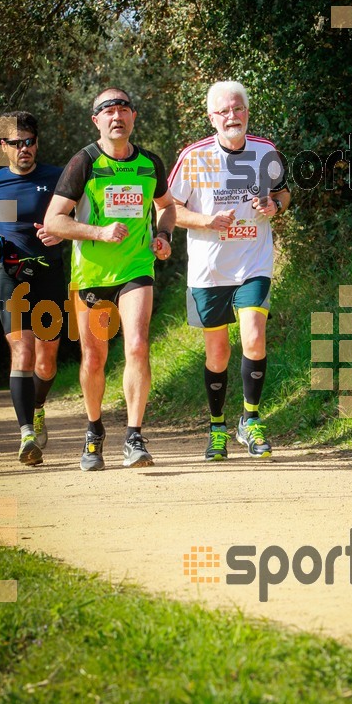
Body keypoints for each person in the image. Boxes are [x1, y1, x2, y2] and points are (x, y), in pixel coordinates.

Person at [44, 87, 176, 471]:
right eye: (107, 110)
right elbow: (55, 220)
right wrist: (99, 232)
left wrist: (163, 235)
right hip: (92, 274)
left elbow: (166, 207)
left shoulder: (150, 163)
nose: (116, 115)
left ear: (134, 117)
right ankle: (94, 430)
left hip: (136, 268)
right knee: (95, 358)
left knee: (136, 345)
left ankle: (134, 437)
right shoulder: (83, 162)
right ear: (96, 121)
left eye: (123, 109)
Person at [168, 80, 290, 461]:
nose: (231, 116)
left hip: (253, 262)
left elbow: (285, 192)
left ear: (247, 112)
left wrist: (275, 207)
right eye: (223, 111)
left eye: (237, 109)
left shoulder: (266, 152)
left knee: (254, 337)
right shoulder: (193, 156)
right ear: (212, 117)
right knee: (217, 354)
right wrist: (206, 221)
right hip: (209, 271)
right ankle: (218, 426)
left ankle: (250, 421)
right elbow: (168, 209)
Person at [0, 110, 65, 466]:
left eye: (29, 142)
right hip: (9, 276)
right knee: (21, 352)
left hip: (49, 273)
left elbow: (81, 216)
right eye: (16, 143)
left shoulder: (56, 178)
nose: (24, 148)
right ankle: (27, 434)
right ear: (3, 146)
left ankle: (38, 407)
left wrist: (61, 229)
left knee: (46, 357)